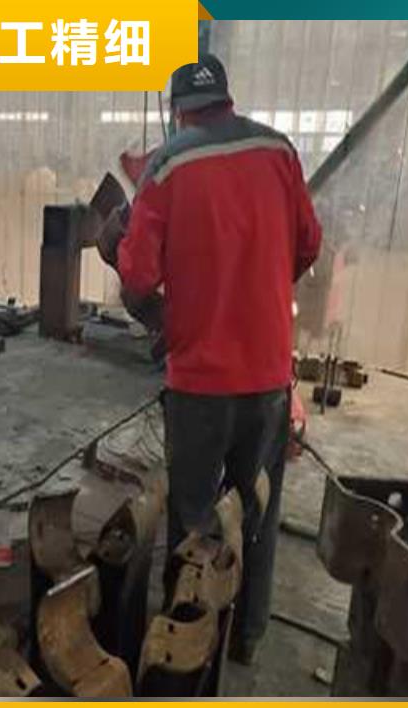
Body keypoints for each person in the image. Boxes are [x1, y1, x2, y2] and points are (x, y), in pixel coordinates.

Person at [114, 54, 322, 664]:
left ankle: (186, 654)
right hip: (268, 376)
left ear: (178, 111)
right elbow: (308, 244)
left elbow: (137, 276)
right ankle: (247, 637)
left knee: (194, 521)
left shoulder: (168, 166)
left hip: (200, 382)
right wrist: (258, 291)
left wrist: (144, 270)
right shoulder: (280, 153)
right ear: (227, 100)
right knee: (256, 509)